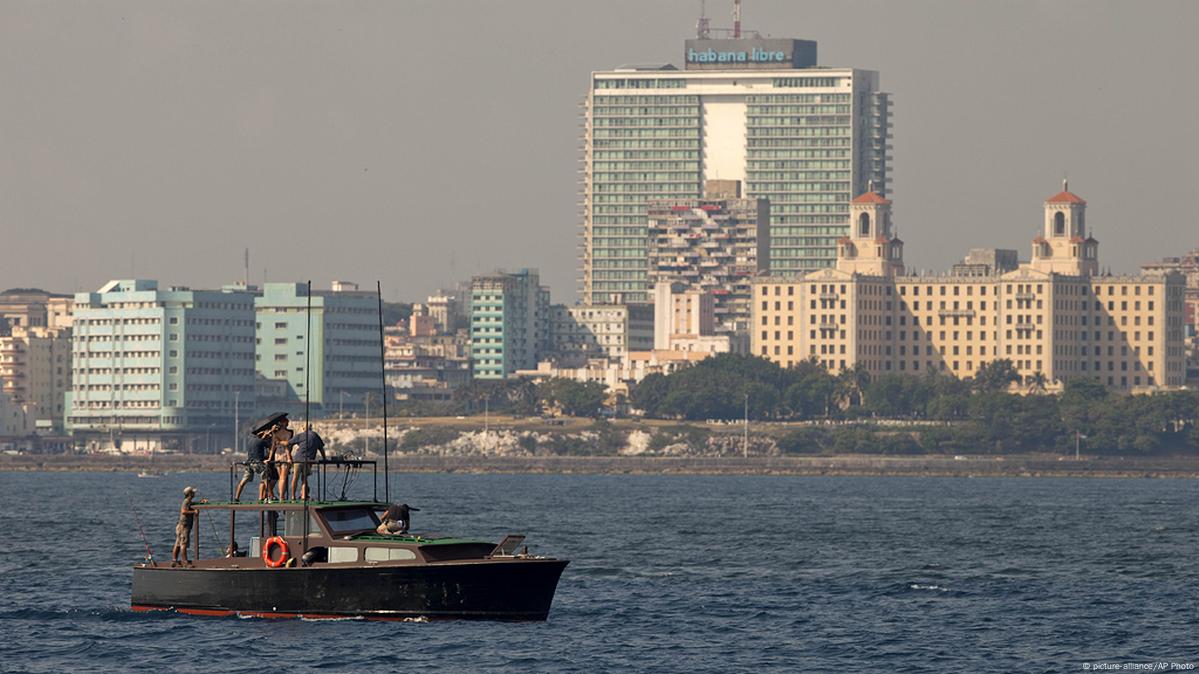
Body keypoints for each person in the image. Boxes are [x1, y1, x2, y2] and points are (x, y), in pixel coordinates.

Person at [289, 423, 327, 501]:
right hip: (308, 460)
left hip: (298, 459)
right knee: (304, 478)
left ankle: (293, 496)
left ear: (303, 428)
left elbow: (289, 443)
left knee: (295, 478)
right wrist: (324, 458)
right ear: (311, 428)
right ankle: (303, 495)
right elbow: (321, 448)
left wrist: (280, 443)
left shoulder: (300, 435)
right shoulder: (315, 436)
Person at [234, 428, 274, 502]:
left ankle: (236, 498)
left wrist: (265, 434)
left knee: (243, 481)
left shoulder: (250, 440)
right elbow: (271, 446)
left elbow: (258, 445)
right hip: (257, 463)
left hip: (249, 463)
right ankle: (271, 496)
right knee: (266, 479)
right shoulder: (261, 441)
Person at [171, 486, 206, 566]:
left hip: (181, 526)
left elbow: (192, 504)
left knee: (178, 543)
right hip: (184, 526)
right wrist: (194, 512)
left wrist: (201, 502)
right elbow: (183, 511)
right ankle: (185, 562)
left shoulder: (188, 501)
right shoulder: (186, 501)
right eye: (193, 492)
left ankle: (174, 560)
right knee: (183, 544)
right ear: (190, 494)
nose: (194, 494)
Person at [266, 417, 294, 500]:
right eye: (287, 422)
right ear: (284, 423)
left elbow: (273, 448)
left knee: (280, 477)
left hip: (277, 456)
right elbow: (287, 447)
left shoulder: (275, 434)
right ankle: (282, 496)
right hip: (284, 455)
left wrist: (269, 458)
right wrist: (289, 458)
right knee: (283, 478)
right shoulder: (288, 433)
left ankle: (281, 495)